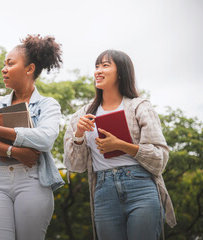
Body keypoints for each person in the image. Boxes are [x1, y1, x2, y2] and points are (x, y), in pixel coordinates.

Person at [63, 50, 176, 239]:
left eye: (105, 65)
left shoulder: (139, 107)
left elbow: (159, 159)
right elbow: (75, 165)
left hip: (140, 186)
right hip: (103, 190)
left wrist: (121, 145)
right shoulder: (81, 115)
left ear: (121, 73)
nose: (98, 71)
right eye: (96, 66)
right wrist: (79, 135)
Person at [0, 34, 65, 240]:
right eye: (4, 64)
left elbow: (46, 139)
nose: (3, 69)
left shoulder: (48, 105)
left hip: (33, 180)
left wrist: (0, 131)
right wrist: (15, 151)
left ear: (29, 69)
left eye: (10, 64)